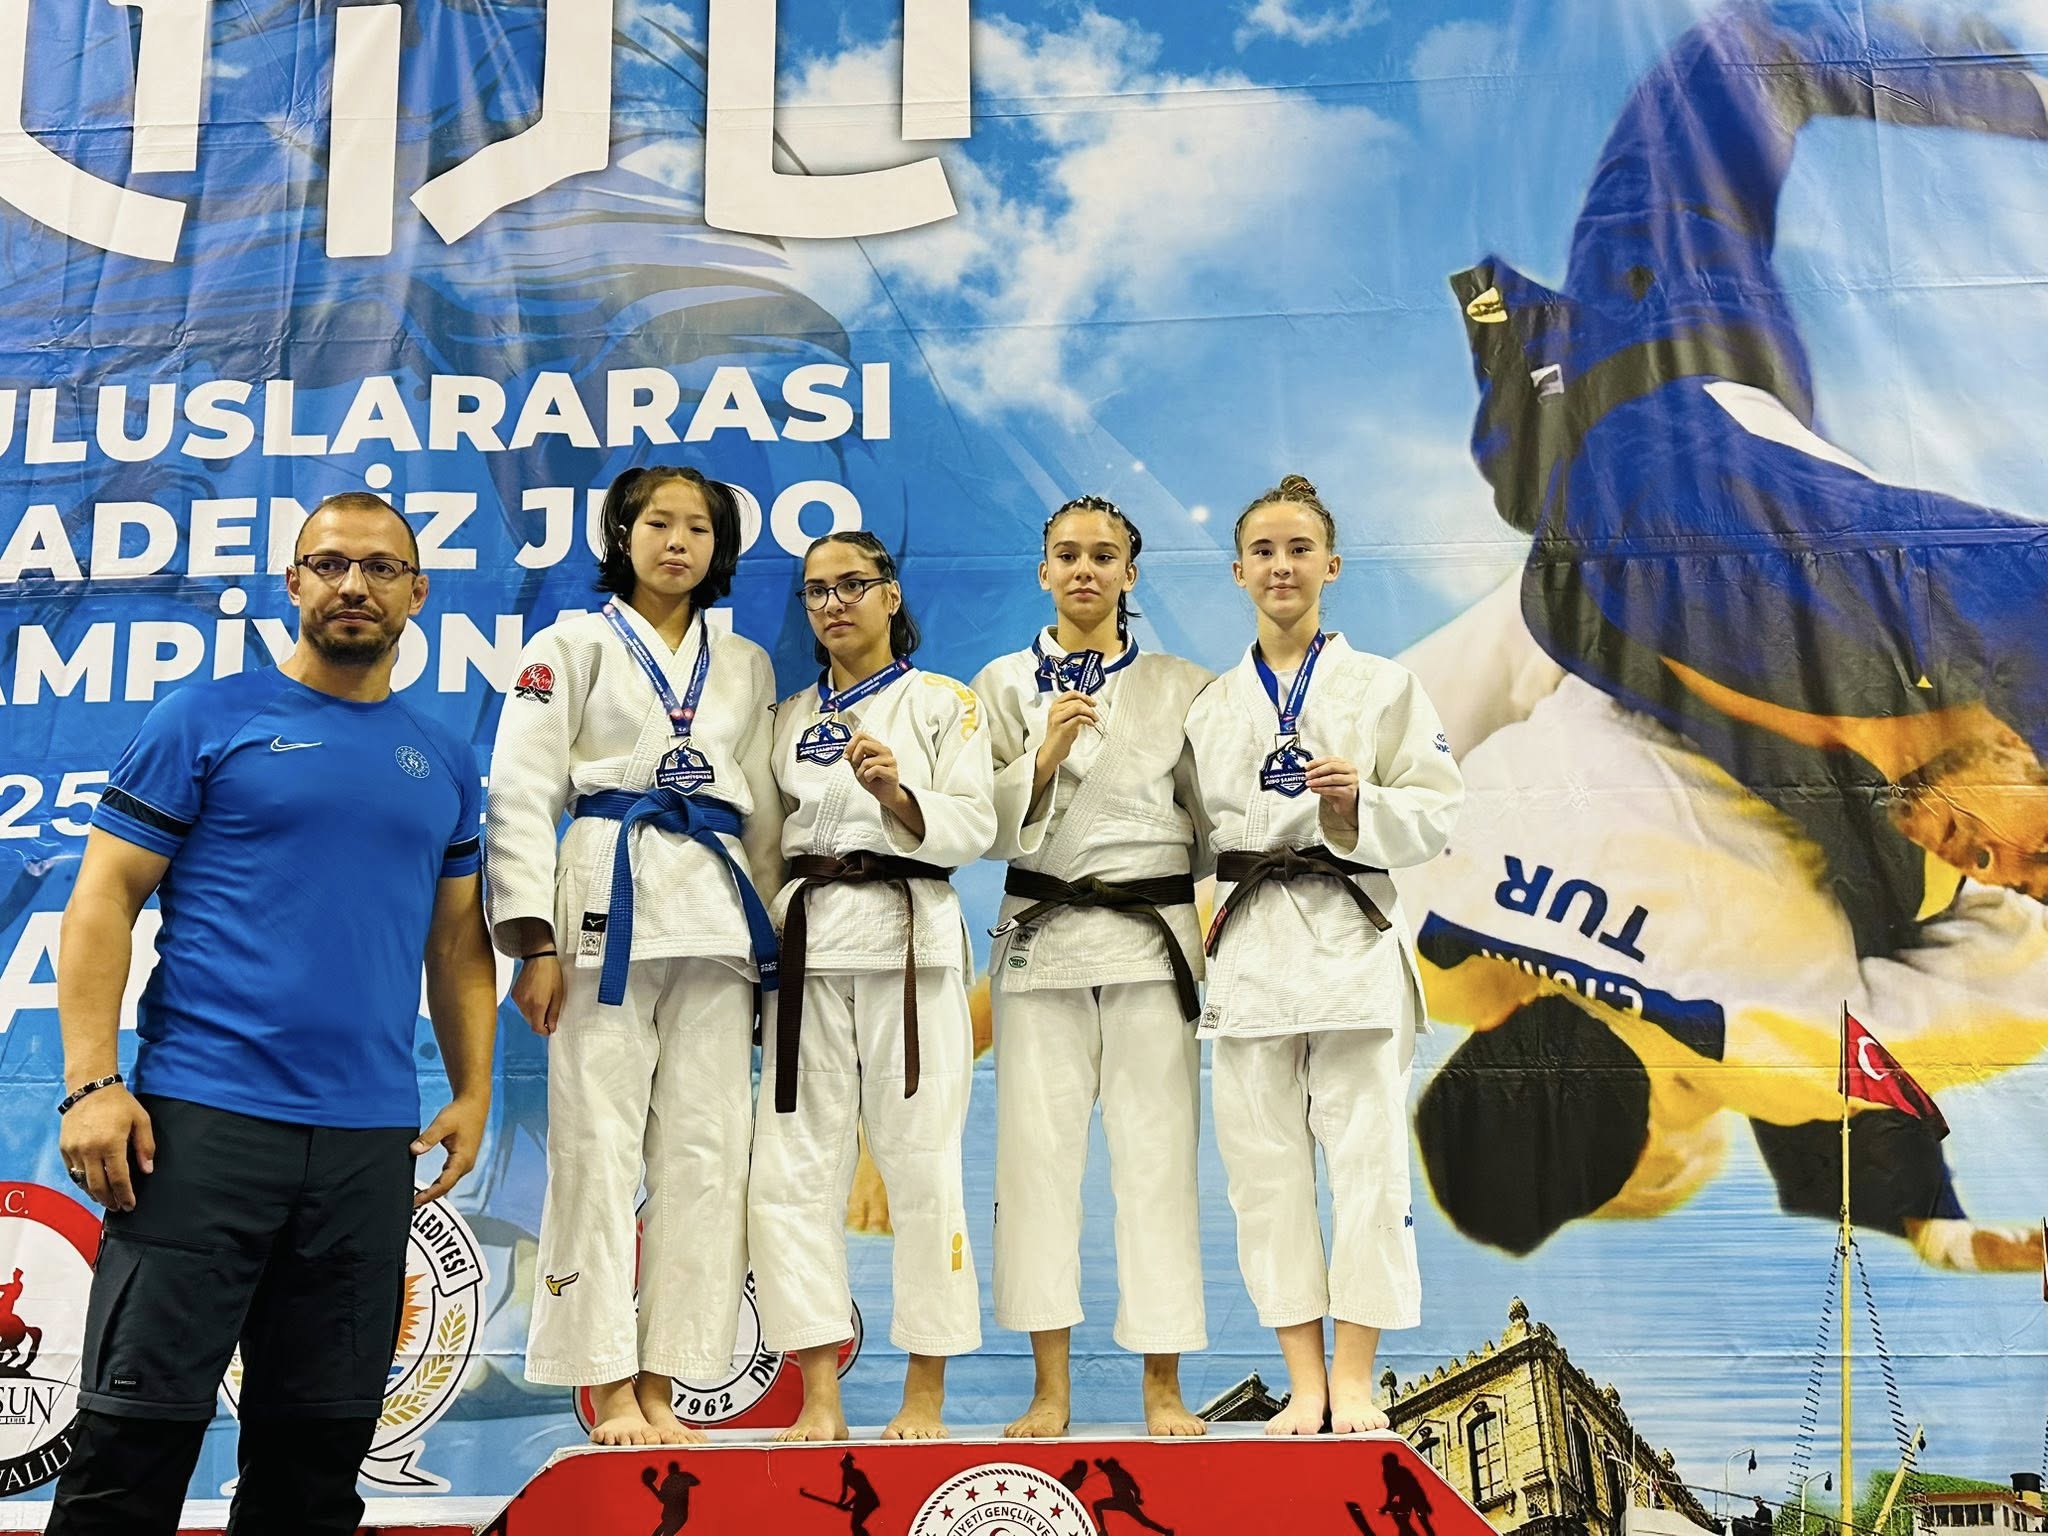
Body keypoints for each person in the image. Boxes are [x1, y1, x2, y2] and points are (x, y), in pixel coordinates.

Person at [1451, 1, 2048, 944]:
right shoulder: (1957, 605)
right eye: (2042, 851)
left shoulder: (1874, 849)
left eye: (2030, 887)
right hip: (1674, 340)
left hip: (1593, 448)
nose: (2004, 871)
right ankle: (2013, 85)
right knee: (1744, 56)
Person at [46, 492, 498, 1536]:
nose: (354, 585)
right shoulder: (204, 719)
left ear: (418, 592)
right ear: (292, 583)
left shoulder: (442, 756)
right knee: (130, 1445)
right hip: (199, 1129)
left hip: (366, 1146)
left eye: (380, 567)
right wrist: (91, 1081)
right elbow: (103, 898)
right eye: (330, 564)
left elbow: (457, 945)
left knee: (316, 1464)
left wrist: (475, 1089)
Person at [1393, 586, 2048, 1271]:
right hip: (1682, 626)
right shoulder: (1416, 909)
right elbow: (1490, 658)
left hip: (1868, 753)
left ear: (1641, 1143)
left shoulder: (1778, 1059)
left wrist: (1938, 1233)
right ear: (1494, 1026)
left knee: (1918, 912)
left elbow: (2017, 976)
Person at [484, 466, 783, 1445]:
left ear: (718, 548)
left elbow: (764, 816)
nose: (677, 541)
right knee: (595, 1147)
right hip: (601, 900)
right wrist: (530, 939)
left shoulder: (744, 664)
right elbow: (520, 790)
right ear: (621, 534)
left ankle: (667, 1379)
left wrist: (772, 939)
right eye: (658, 522)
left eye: (698, 527)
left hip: (716, 912)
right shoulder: (567, 645)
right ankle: (605, 1380)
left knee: (708, 1153)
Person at [1185, 475, 1462, 1437]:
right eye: (1263, 551)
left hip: (1351, 940)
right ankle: (1302, 1380)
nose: (1282, 566)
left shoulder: (1383, 686)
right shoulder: (1212, 706)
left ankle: (1354, 1378)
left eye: (1299, 549)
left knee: (1367, 1167)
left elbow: (1434, 813)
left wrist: (1357, 807)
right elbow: (1192, 837)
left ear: (1331, 566)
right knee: (1263, 1174)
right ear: (1238, 572)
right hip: (1252, 948)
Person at [970, 495, 1211, 1439]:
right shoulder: (998, 685)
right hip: (1041, 937)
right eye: (1067, 555)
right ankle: (1049, 1389)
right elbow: (971, 825)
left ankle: (1164, 1386)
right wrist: (1043, 758)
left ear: (1129, 574)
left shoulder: (1182, 685)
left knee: (1159, 1162)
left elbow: (1211, 823)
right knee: (1035, 1164)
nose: (1084, 569)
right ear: (1043, 571)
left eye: (1103, 556)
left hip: (1150, 939)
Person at [749, 531, 995, 1441]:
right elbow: (765, 846)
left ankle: (924, 1391)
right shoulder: (785, 718)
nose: (834, 603)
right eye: (817, 590)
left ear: (891, 595)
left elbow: (975, 824)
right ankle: (818, 1391)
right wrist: (761, 949)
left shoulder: (943, 704)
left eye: (853, 584)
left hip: (907, 939)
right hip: (807, 948)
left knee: (922, 1165)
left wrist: (898, 795)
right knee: (790, 1172)